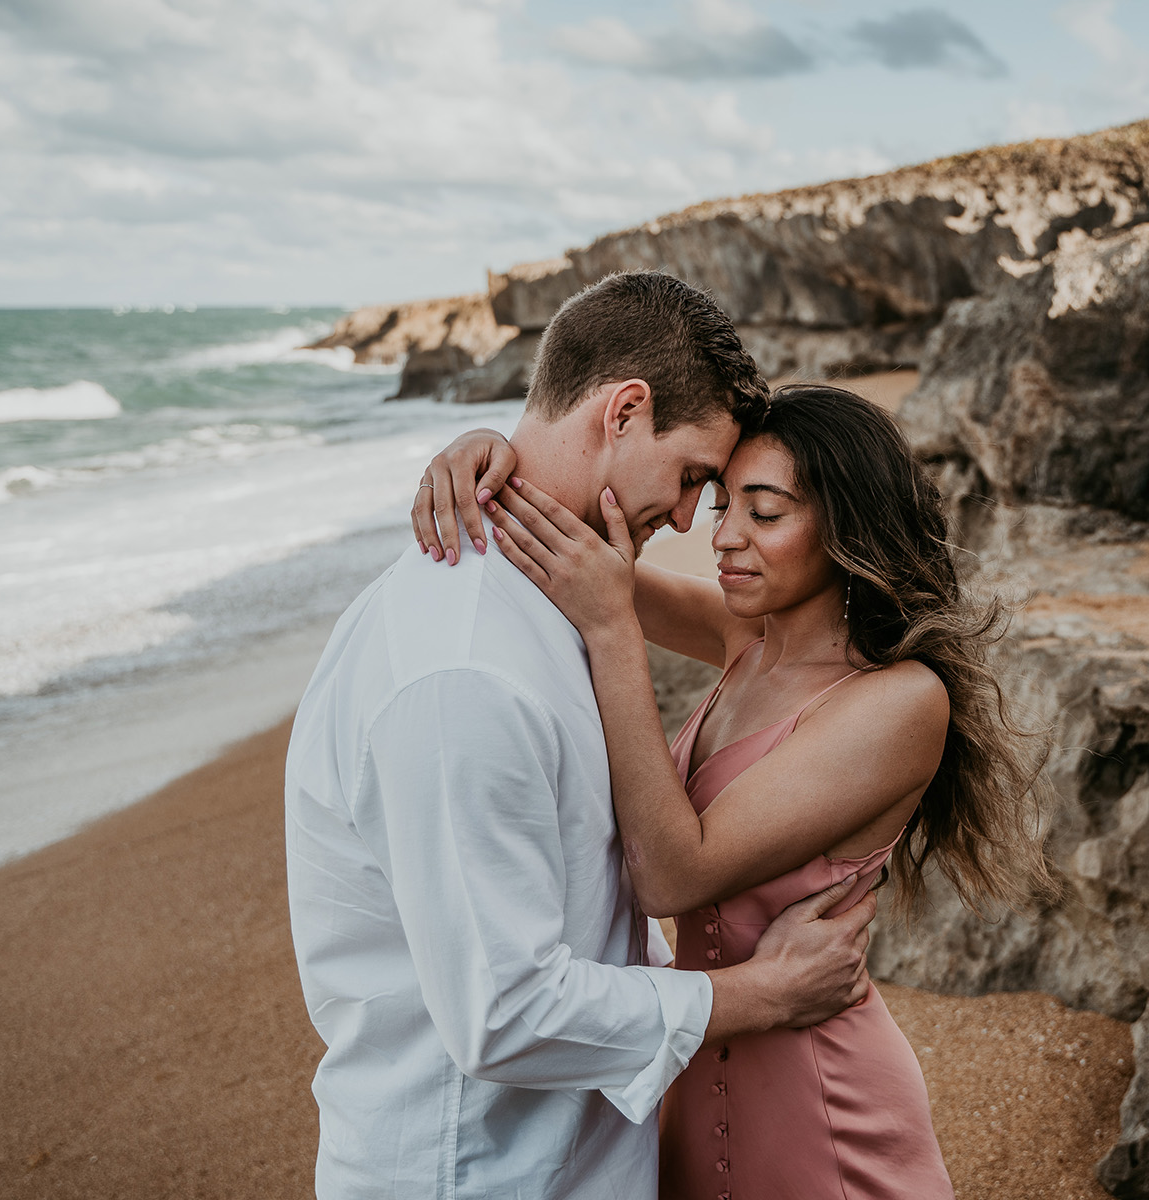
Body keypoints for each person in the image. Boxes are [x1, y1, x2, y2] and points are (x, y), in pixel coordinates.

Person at [286, 272, 881, 1200]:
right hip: (477, 1172)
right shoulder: (463, 670)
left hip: (569, 1154)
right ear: (625, 411)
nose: (691, 519)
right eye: (692, 479)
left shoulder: (558, 588)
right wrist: (759, 996)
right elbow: (505, 1011)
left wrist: (500, 460)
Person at [414, 383, 1054, 1198]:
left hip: (825, 1104)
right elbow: (563, 552)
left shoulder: (898, 701)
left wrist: (613, 633)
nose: (725, 538)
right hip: (693, 1065)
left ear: (846, 527)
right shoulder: (745, 638)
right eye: (722, 505)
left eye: (765, 512)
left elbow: (669, 875)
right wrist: (482, 457)